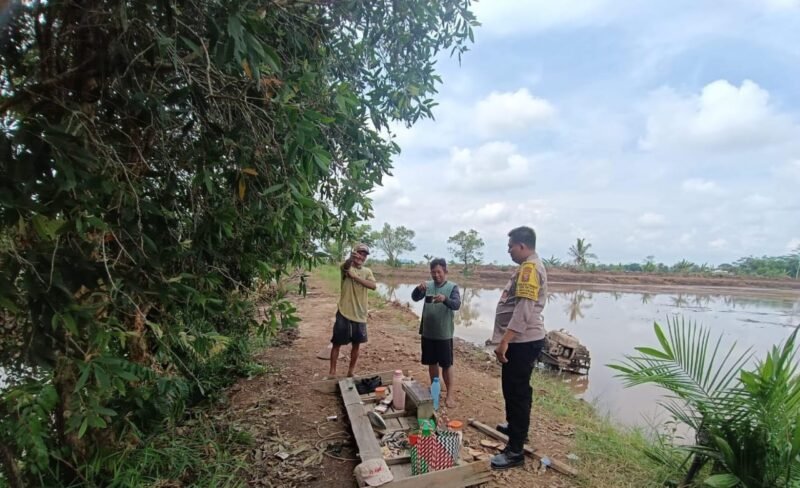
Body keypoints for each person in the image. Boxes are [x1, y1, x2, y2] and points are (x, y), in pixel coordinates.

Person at [490, 226, 547, 470]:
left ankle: (515, 451)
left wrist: (505, 340)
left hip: (521, 341)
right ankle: (516, 429)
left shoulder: (530, 269)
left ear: (522, 246)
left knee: (516, 392)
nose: (509, 250)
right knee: (515, 390)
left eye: (511, 246)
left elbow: (524, 309)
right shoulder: (527, 267)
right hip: (520, 340)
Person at [411, 258, 462, 408]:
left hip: (444, 333)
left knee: (446, 364)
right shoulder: (427, 285)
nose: (436, 275)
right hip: (428, 332)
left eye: (439, 272)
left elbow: (456, 305)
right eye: (433, 272)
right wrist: (418, 289)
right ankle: (436, 390)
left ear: (445, 271)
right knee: (432, 363)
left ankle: (450, 394)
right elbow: (414, 298)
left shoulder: (452, 287)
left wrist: (445, 299)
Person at [329, 243, 377, 378]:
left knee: (356, 345)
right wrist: (350, 259)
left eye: (364, 255)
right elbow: (345, 267)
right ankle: (332, 372)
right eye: (360, 253)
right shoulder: (346, 267)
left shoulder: (367, 272)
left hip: (360, 314)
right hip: (344, 312)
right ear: (354, 253)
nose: (361, 256)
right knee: (336, 343)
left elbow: (373, 286)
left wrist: (355, 277)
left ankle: (350, 372)